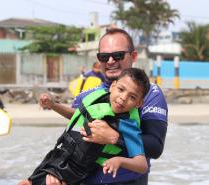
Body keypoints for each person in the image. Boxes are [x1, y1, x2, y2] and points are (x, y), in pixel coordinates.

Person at [38, 28, 168, 185]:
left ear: (133, 56)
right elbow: (73, 144)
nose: (111, 61)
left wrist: (116, 138)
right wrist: (54, 173)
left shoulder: (149, 94)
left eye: (118, 55)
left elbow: (155, 148)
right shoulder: (85, 96)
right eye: (104, 57)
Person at [18, 68, 150, 185]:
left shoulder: (128, 124)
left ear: (138, 103)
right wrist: (53, 105)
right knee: (25, 183)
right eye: (121, 90)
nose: (123, 97)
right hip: (57, 155)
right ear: (112, 86)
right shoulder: (99, 98)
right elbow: (77, 115)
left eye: (132, 97)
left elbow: (142, 164)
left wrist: (120, 161)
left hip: (74, 170)